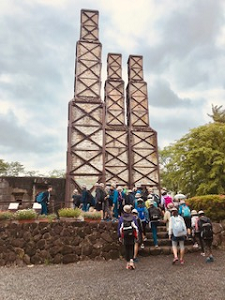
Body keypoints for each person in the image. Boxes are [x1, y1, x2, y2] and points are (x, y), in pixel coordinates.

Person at [118, 205, 138, 270]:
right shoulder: (133, 217)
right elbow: (136, 227)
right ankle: (132, 261)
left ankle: (127, 263)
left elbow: (119, 228)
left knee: (126, 248)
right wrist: (137, 235)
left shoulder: (121, 218)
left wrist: (119, 236)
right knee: (131, 247)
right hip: (132, 234)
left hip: (125, 235)